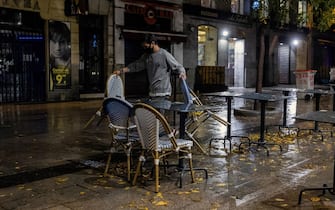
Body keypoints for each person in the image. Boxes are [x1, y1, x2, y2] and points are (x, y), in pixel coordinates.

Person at [113, 34, 186, 100]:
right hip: (152, 92)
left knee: (158, 114)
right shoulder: (147, 56)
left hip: (163, 93)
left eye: (146, 46)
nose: (145, 48)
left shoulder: (164, 54)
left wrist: (182, 73)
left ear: (153, 43)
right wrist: (120, 71)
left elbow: (178, 66)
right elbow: (135, 66)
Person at [49, 21, 71, 90]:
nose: (57, 48)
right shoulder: (49, 60)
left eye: (61, 42)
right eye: (54, 42)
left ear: (67, 43)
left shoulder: (70, 61)